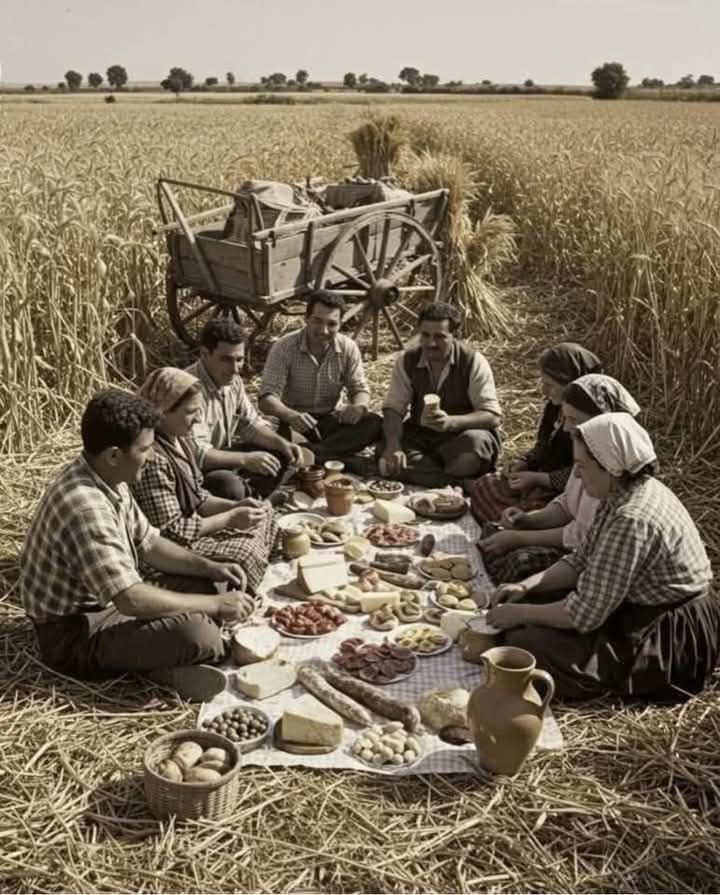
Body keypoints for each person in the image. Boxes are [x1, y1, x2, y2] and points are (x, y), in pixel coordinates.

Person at [20, 390, 257, 701]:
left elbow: (149, 543)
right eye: (145, 449)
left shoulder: (109, 477)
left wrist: (209, 567)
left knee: (211, 583)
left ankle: (153, 661)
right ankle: (154, 671)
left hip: (106, 607)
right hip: (74, 635)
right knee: (199, 634)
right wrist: (213, 606)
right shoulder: (85, 507)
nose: (152, 456)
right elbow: (131, 600)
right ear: (114, 454)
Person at [486, 413, 720, 702]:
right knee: (527, 606)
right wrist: (527, 587)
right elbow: (581, 559)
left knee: (523, 645)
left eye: (582, 466)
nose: (578, 475)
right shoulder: (620, 494)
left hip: (665, 631)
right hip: (631, 607)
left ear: (610, 467)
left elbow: (582, 614)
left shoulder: (632, 520)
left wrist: (519, 613)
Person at [478, 374, 640, 583]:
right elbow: (566, 504)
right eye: (564, 418)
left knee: (521, 560)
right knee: (494, 529)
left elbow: (581, 536)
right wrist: (527, 519)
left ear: (600, 419)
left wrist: (518, 538)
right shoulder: (584, 447)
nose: (565, 428)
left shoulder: (612, 469)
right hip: (567, 535)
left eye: (573, 420)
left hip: (587, 556)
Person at [134, 367, 278, 595]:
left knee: (265, 512)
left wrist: (234, 507)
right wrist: (229, 518)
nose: (199, 419)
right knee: (244, 553)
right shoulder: (151, 458)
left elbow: (198, 496)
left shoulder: (181, 439)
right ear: (162, 412)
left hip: (190, 524)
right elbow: (172, 531)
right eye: (191, 412)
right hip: (168, 549)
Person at [470, 342, 603, 522]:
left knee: (533, 511)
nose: (544, 391)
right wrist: (524, 463)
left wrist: (538, 479)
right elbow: (542, 446)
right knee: (484, 485)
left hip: (564, 491)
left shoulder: (592, 421)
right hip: (539, 481)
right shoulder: (553, 408)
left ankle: (518, 524)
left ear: (572, 383)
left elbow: (579, 475)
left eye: (550, 385)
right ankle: (513, 520)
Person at [380, 302, 502, 488]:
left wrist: (451, 422)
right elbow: (394, 409)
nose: (430, 343)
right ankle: (457, 482)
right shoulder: (407, 360)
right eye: (425, 335)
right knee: (385, 448)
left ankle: (428, 475)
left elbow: (492, 416)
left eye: (440, 337)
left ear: (455, 336)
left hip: (459, 437)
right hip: (422, 437)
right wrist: (393, 446)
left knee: (476, 445)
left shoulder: (472, 362)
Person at [258, 290, 382, 466]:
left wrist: (358, 407)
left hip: (329, 419)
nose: (324, 330)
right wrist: (292, 416)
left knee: (374, 423)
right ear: (306, 319)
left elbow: (359, 389)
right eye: (317, 321)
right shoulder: (284, 347)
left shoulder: (348, 348)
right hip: (293, 422)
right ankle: (338, 458)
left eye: (331, 324)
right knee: (270, 433)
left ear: (340, 325)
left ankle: (312, 455)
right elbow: (266, 399)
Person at [188, 318, 305, 501]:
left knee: (282, 450)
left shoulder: (233, 381)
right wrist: (246, 459)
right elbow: (198, 454)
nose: (235, 369)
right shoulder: (190, 390)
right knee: (228, 486)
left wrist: (283, 444)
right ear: (204, 354)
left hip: (225, 455)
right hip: (197, 469)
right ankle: (252, 497)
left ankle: (252, 495)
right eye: (226, 359)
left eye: (239, 359)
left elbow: (251, 425)